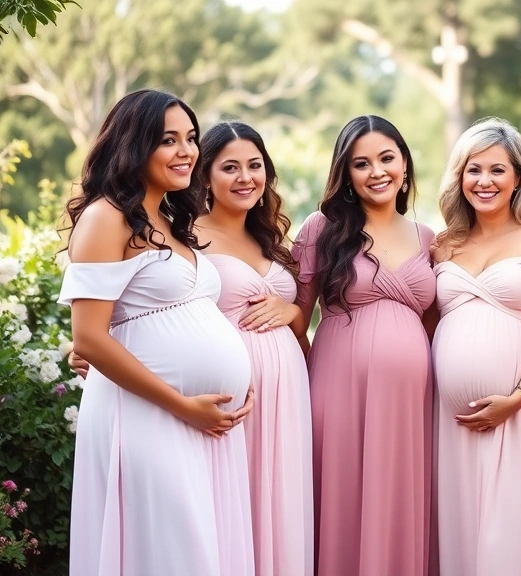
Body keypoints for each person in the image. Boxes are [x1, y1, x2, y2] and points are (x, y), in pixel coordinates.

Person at [59, 89, 254, 576]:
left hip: (200, 423)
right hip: (149, 416)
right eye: (169, 140)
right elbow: (88, 338)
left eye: (190, 138)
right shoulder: (107, 218)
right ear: (134, 145)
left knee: (203, 554)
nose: (187, 151)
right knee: (169, 554)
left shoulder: (169, 219)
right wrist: (182, 404)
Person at [292, 116, 435, 576]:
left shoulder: (429, 238)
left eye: (387, 158)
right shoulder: (321, 228)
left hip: (410, 402)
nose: (377, 171)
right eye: (361, 163)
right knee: (341, 499)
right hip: (337, 390)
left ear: (405, 164)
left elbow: (434, 325)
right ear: (346, 174)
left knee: (399, 499)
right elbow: (298, 316)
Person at [431, 118, 521, 576]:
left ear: (518, 178)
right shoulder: (443, 245)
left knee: (509, 534)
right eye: (473, 170)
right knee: (458, 536)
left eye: (497, 171)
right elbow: (432, 327)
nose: (484, 181)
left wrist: (519, 397)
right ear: (459, 176)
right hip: (448, 420)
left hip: (519, 412)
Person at [195, 121, 313, 576]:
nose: (246, 177)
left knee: (281, 503)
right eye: (230, 167)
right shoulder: (185, 238)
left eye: (255, 165)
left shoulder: (272, 239)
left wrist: (292, 312)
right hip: (231, 399)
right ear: (205, 175)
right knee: (231, 503)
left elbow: (301, 318)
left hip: (287, 399)